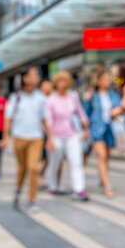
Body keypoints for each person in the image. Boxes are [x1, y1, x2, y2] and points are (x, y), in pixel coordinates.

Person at [0, 67, 53, 212]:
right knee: (22, 167)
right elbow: (8, 119)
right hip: (19, 137)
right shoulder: (16, 97)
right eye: (33, 75)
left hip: (36, 138)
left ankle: (32, 199)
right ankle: (18, 189)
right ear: (25, 78)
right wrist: (6, 138)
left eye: (37, 75)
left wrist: (51, 138)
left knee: (33, 168)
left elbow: (45, 119)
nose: (37, 78)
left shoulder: (41, 98)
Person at [45, 71, 90, 201]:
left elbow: (80, 113)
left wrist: (85, 126)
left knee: (76, 162)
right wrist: (50, 138)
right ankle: (53, 185)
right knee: (55, 162)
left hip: (72, 134)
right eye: (60, 81)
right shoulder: (51, 100)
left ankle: (79, 189)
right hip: (56, 136)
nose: (62, 84)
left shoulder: (73, 96)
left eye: (65, 81)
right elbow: (49, 120)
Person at [84, 70, 123, 198]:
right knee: (102, 155)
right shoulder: (92, 95)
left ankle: (102, 180)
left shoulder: (112, 95)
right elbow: (85, 113)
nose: (107, 81)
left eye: (108, 79)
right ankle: (107, 186)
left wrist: (117, 111)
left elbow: (120, 107)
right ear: (98, 81)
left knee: (106, 157)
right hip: (96, 129)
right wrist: (86, 130)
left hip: (109, 128)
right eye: (105, 79)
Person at [38, 79, 54, 189]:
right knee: (39, 157)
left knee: (49, 157)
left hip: (51, 133)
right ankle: (37, 176)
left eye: (49, 86)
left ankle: (40, 174)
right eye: (45, 86)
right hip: (39, 133)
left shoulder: (53, 99)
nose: (48, 88)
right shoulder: (38, 99)